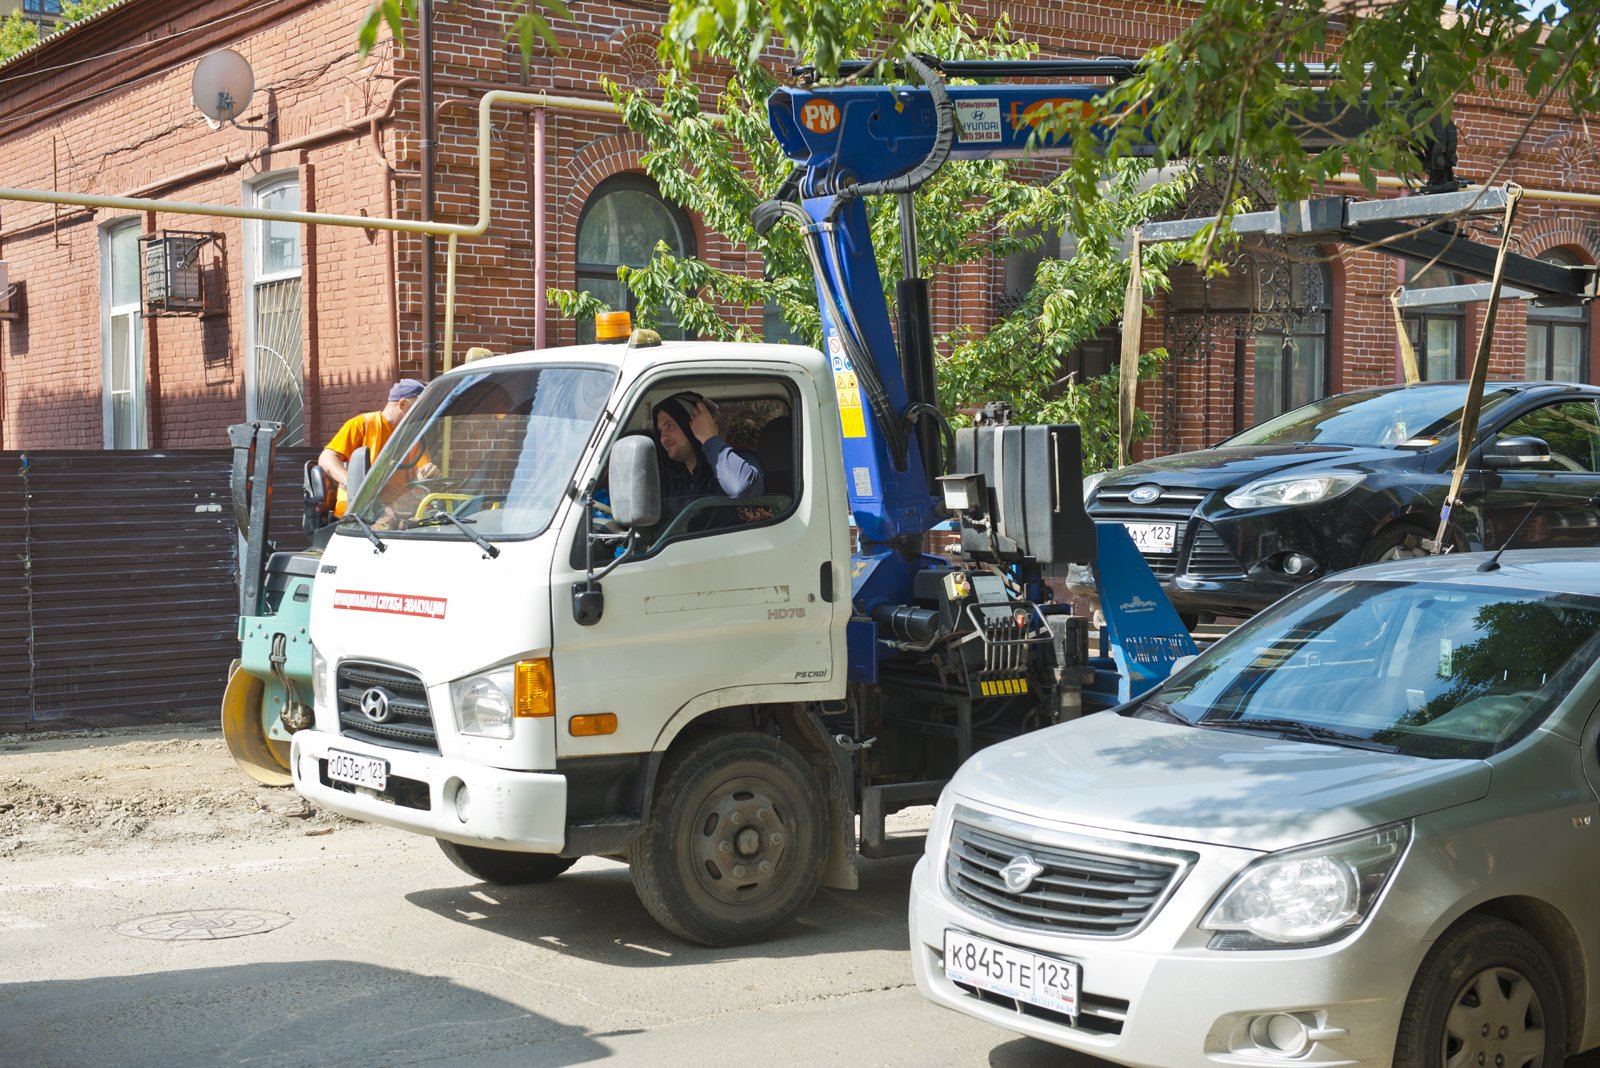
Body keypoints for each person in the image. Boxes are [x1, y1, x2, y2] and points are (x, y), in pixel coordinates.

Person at [319, 379, 429, 517]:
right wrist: (355, 485)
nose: (423, 416)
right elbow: (326, 458)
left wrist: (427, 473)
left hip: (398, 514)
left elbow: (422, 471)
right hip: (358, 515)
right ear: (403, 404)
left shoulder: (414, 436)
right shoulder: (362, 425)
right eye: (419, 410)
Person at [652, 392, 764, 523]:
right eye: (660, 431)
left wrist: (709, 438)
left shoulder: (739, 462)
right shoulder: (671, 479)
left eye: (669, 425)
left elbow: (740, 488)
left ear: (692, 425)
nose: (664, 438)